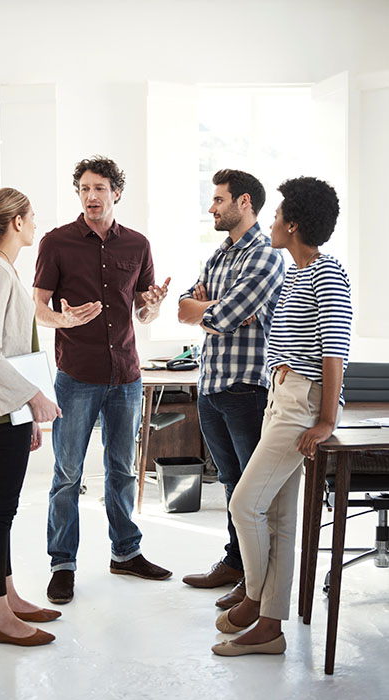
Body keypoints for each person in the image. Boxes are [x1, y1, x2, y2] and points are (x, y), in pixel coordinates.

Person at [212, 176, 352, 657]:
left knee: (243, 504)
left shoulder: (328, 273)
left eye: (276, 216)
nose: (270, 222)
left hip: (301, 404)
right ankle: (270, 626)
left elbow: (334, 352)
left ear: (293, 225)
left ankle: (254, 600)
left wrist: (326, 420)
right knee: (278, 517)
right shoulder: (296, 274)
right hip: (281, 396)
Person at [33, 156, 172, 605]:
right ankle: (62, 564)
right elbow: (39, 310)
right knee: (68, 474)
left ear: (116, 193)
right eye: (84, 189)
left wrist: (154, 305)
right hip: (77, 376)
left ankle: (126, 552)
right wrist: (64, 319)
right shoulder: (56, 243)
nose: (91, 196)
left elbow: (144, 311)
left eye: (99, 188)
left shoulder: (137, 245)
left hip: (127, 376)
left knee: (122, 471)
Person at [178, 169, 285, 608]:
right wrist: (210, 308)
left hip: (246, 388)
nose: (211, 208)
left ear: (244, 202)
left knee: (252, 494)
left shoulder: (264, 255)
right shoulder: (220, 255)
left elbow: (218, 317)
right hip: (210, 386)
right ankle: (235, 563)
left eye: (218, 200)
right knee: (228, 483)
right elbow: (185, 309)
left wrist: (209, 309)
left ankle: (258, 583)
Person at [0, 188, 62, 647]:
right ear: (17, 223)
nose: (36, 223)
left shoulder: (0, 269)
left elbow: (11, 343)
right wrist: (33, 398)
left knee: (5, 508)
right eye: (32, 216)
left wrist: (25, 410)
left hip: (9, 405)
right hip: (5, 403)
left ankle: (9, 596)